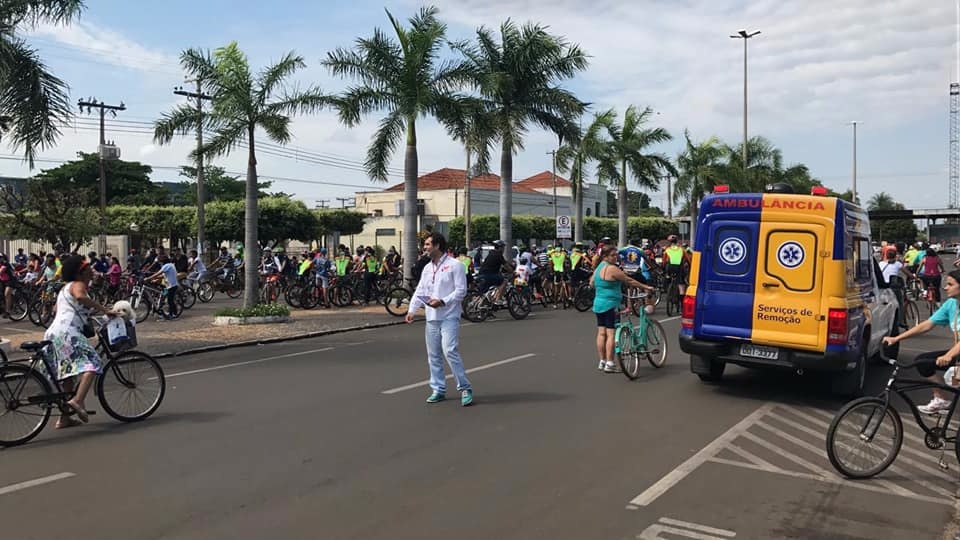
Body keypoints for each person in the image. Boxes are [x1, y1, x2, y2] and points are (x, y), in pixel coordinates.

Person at [43, 255, 120, 428]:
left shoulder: (64, 288)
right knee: (92, 364)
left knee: (67, 375)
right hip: (68, 333)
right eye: (88, 268)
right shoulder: (78, 285)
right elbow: (80, 298)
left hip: (54, 333)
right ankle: (77, 401)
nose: (92, 271)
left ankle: (64, 418)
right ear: (81, 272)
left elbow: (58, 309)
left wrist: (88, 317)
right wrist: (105, 310)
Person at [405, 232, 473, 407]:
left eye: (428, 244)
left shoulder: (455, 265)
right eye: (425, 244)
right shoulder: (428, 268)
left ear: (437, 245)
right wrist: (411, 310)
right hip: (432, 318)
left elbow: (461, 291)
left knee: (449, 350)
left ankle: (465, 387)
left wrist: (442, 301)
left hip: (449, 316)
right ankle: (438, 389)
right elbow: (420, 291)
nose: (425, 248)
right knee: (433, 355)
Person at [884, 269, 960, 414]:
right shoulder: (951, 304)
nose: (945, 288)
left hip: (956, 353)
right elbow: (927, 325)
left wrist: (948, 355)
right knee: (922, 362)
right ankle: (940, 399)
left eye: (950, 284)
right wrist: (896, 338)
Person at [591, 245, 654, 373]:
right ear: (605, 257)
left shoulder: (598, 268)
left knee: (601, 333)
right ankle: (610, 362)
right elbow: (629, 280)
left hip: (598, 304)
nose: (616, 257)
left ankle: (602, 361)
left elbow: (592, 283)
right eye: (613, 255)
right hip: (610, 305)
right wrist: (646, 287)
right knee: (611, 334)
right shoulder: (612, 269)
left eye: (616, 255)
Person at [145, 254, 180, 320]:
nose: (159, 263)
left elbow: (159, 273)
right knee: (166, 298)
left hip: (171, 286)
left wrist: (149, 278)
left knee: (170, 300)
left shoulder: (167, 266)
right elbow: (163, 275)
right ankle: (164, 312)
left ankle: (173, 314)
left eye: (160, 262)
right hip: (170, 285)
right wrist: (153, 279)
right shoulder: (170, 265)